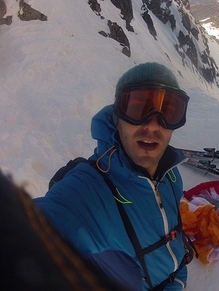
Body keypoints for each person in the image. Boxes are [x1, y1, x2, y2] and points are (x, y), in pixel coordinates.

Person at [35, 62, 191, 291]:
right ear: (118, 116)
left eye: (168, 111)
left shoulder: (171, 172)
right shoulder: (87, 192)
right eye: (138, 108)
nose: (152, 126)